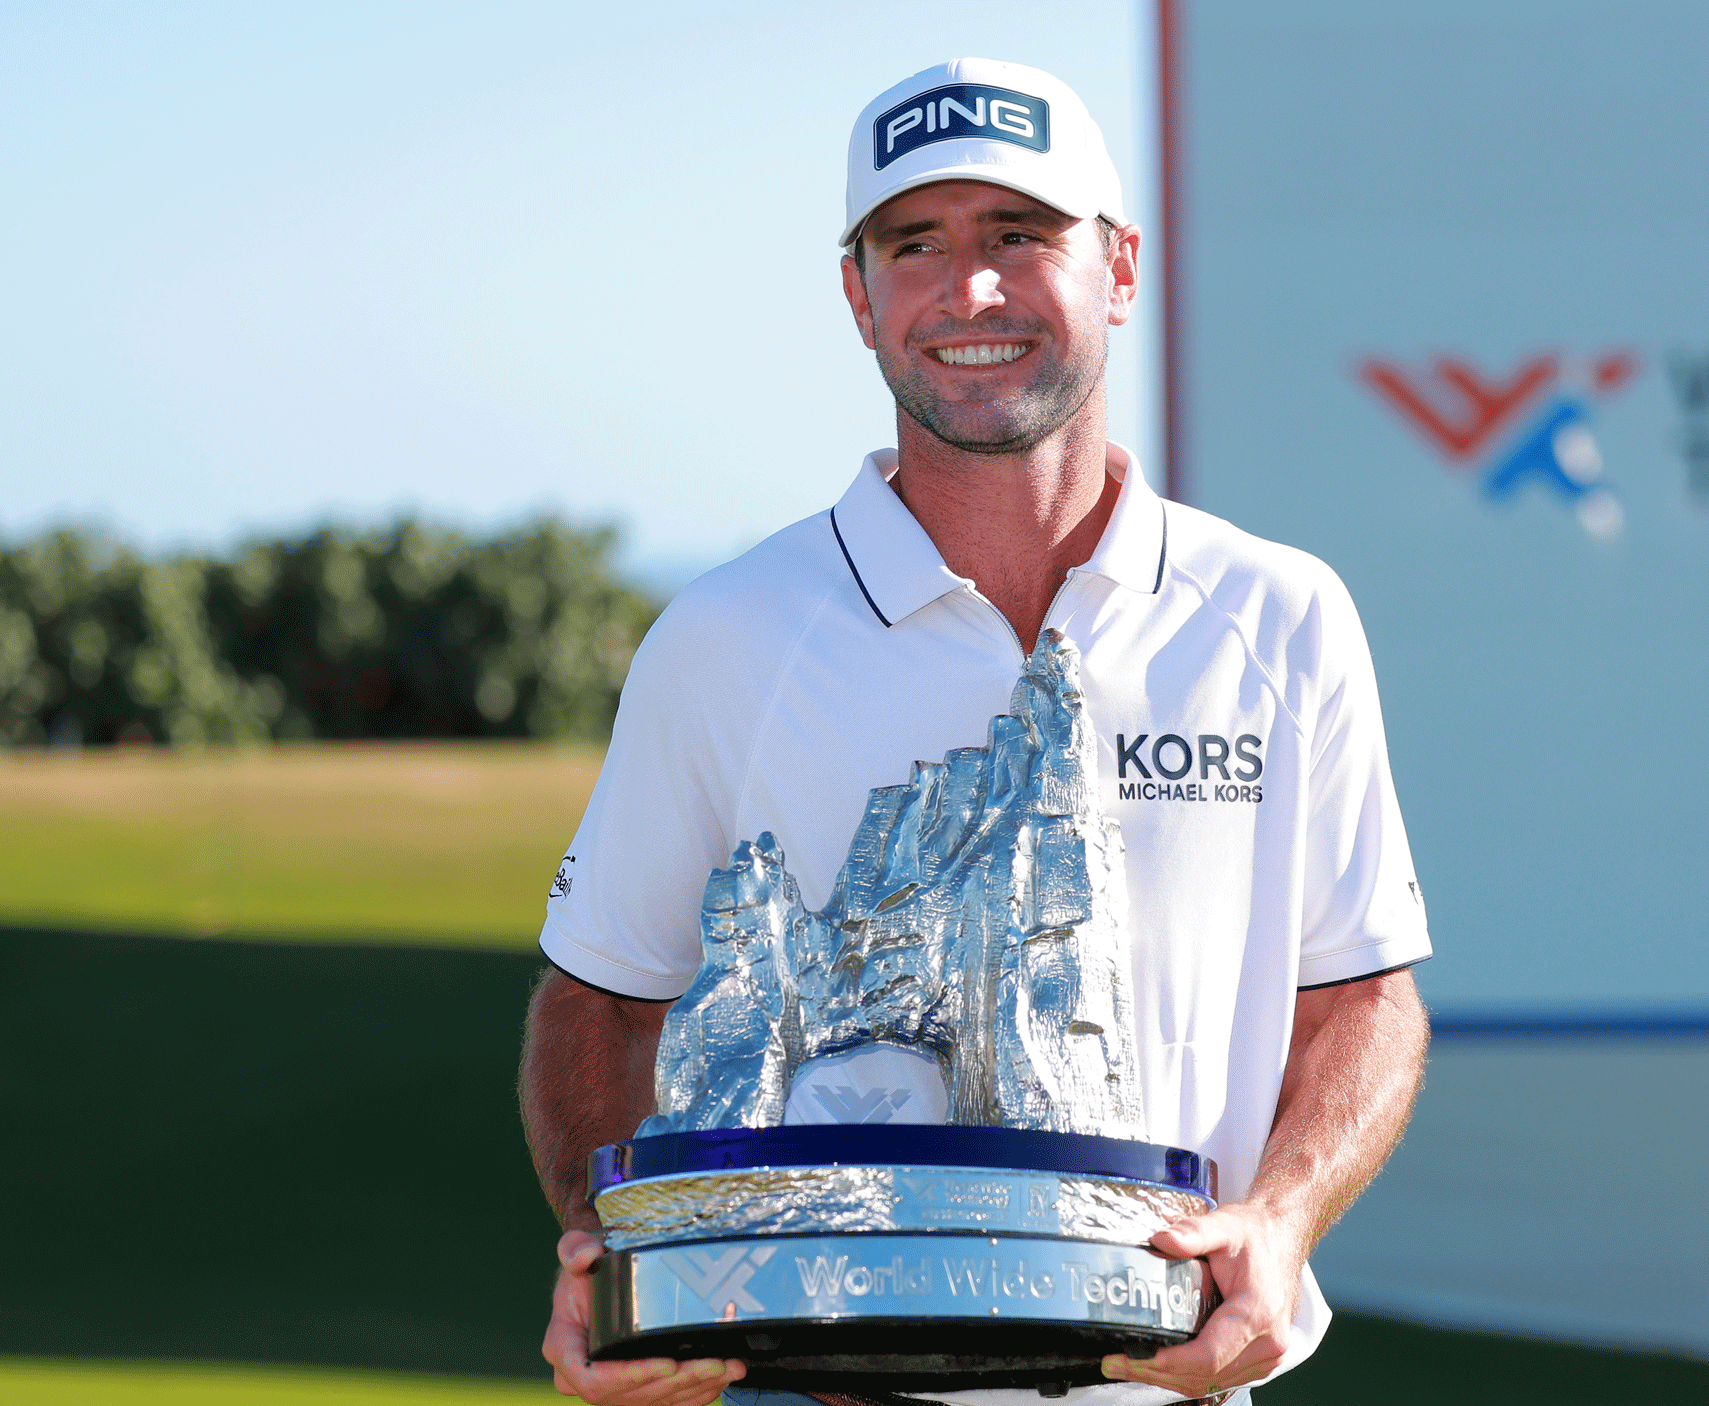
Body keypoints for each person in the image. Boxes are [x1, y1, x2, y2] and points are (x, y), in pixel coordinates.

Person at [518, 58, 1431, 1406]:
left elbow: (1361, 995)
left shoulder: (1280, 617)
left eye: (1018, 234)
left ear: (1119, 269)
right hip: (815, 1386)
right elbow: (598, 1002)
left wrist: (1283, 1219)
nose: (972, 290)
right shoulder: (726, 635)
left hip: (1170, 1378)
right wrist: (622, 1263)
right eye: (915, 245)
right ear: (858, 296)